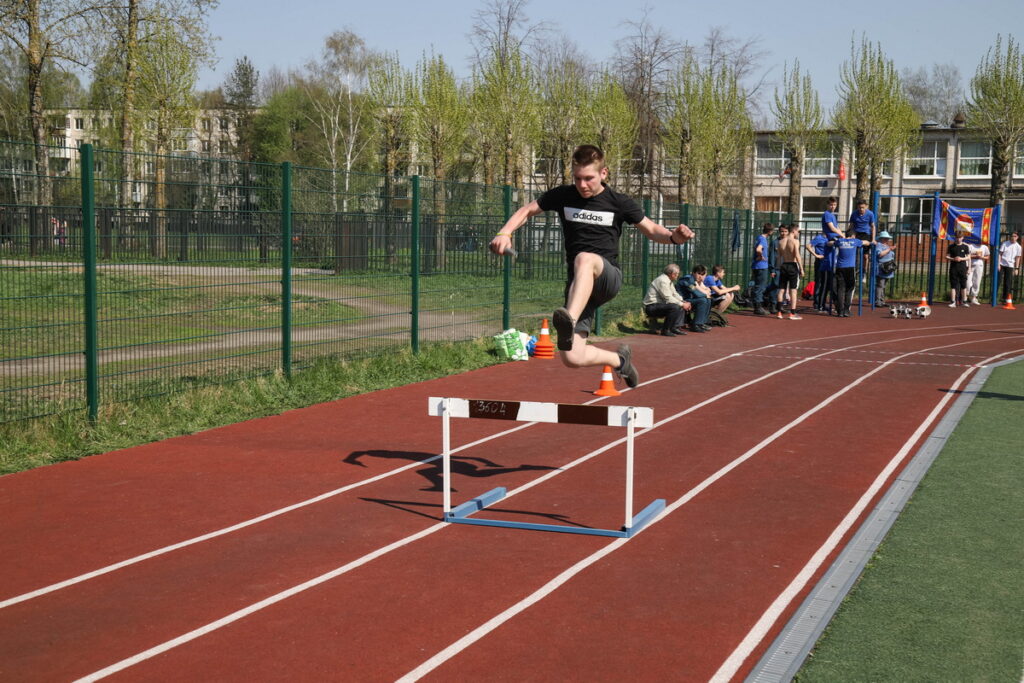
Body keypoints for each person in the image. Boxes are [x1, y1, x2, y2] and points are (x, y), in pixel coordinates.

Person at [489, 144, 693, 387]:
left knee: (585, 258)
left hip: (608, 277)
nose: (582, 185)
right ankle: (619, 360)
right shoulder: (564, 195)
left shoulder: (619, 202)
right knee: (572, 357)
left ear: (603, 173)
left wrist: (673, 237)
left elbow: (651, 229)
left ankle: (570, 319)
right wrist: (505, 232)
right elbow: (527, 210)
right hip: (579, 286)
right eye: (577, 178)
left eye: (588, 178)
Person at [831, 229, 871, 317]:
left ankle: (840, 311)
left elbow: (831, 243)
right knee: (850, 288)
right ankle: (846, 310)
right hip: (850, 268)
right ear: (853, 236)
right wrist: (869, 242)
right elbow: (867, 243)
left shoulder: (840, 241)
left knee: (841, 288)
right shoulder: (855, 241)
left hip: (840, 267)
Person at [643, 263, 690, 336]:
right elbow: (668, 298)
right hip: (651, 306)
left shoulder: (668, 280)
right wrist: (682, 304)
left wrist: (683, 301)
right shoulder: (663, 281)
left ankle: (674, 327)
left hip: (659, 304)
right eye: (677, 273)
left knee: (680, 305)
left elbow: (674, 293)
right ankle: (666, 330)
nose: (678, 275)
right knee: (675, 307)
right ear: (672, 274)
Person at [774, 222, 803, 319]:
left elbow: (778, 257)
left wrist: (778, 267)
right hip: (792, 265)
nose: (798, 233)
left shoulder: (780, 242)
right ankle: (792, 313)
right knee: (793, 290)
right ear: (794, 231)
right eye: (798, 231)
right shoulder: (795, 241)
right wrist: (801, 268)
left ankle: (779, 313)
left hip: (784, 265)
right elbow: (797, 255)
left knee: (781, 289)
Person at [676, 265, 713, 332]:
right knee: (703, 300)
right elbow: (696, 293)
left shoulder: (693, 280)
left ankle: (702, 323)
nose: (700, 276)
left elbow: (701, 291)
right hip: (682, 300)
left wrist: (707, 295)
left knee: (708, 300)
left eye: (702, 274)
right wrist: (706, 295)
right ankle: (696, 325)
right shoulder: (687, 280)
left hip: (689, 299)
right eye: (698, 273)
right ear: (693, 273)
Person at [750, 223, 773, 315]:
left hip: (757, 266)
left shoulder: (759, 237)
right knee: (760, 286)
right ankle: (758, 307)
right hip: (761, 266)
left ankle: (757, 305)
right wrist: (760, 256)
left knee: (758, 286)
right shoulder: (763, 239)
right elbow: (758, 249)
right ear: (770, 231)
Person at [805, 229, 831, 311]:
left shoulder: (830, 238)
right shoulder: (819, 237)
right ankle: (817, 302)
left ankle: (822, 302)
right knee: (819, 282)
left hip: (828, 262)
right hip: (820, 262)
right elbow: (808, 246)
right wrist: (816, 255)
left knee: (826, 283)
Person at [945, 230, 971, 307]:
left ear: (962, 238)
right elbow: (947, 256)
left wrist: (961, 259)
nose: (958, 239)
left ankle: (964, 301)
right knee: (953, 285)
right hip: (953, 268)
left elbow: (968, 257)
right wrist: (953, 259)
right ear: (955, 238)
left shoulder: (965, 247)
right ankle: (953, 301)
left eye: (960, 238)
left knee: (963, 285)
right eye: (957, 237)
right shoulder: (951, 247)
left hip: (962, 268)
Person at [998, 231, 1022, 304]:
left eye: (1015, 236)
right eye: (1012, 236)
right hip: (1002, 264)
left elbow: (1018, 258)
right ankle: (993, 297)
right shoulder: (1005, 243)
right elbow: (1000, 254)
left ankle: (1005, 298)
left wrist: (1016, 268)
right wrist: (998, 264)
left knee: (1008, 282)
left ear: (1017, 237)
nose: (1013, 237)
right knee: (998, 280)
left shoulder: (1018, 247)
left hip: (1010, 265)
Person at [874, 231, 896, 306]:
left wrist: (890, 249)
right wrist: (890, 249)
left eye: (888, 238)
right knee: (880, 285)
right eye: (886, 238)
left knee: (883, 286)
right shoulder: (879, 245)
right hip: (881, 268)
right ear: (881, 238)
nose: (887, 240)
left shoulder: (886, 246)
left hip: (887, 268)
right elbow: (880, 254)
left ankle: (882, 301)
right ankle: (878, 301)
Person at [965, 240, 990, 305]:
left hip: (979, 265)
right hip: (970, 265)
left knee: (977, 281)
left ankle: (974, 297)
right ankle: (966, 296)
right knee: (967, 282)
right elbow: (967, 255)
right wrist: (975, 256)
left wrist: (981, 257)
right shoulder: (971, 246)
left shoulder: (984, 247)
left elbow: (987, 256)